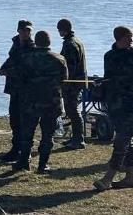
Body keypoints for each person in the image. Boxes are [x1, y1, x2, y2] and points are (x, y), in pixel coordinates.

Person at [14, 31, 68, 173]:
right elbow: (64, 79)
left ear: (36, 41)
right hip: (51, 102)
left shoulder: (26, 58)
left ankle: (23, 161)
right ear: (49, 42)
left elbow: (19, 78)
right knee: (47, 135)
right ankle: (43, 164)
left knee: (27, 133)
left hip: (30, 101)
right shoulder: (59, 59)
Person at [94, 26, 133, 191]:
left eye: (131, 37)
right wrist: (101, 84)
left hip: (131, 104)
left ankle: (108, 178)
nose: (131, 40)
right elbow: (109, 77)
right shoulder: (109, 56)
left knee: (121, 141)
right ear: (119, 38)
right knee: (126, 140)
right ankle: (130, 177)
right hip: (116, 104)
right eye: (128, 37)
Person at [0, 19, 35, 162]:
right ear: (18, 30)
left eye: (29, 30)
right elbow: (11, 59)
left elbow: (25, 68)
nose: (27, 33)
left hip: (26, 90)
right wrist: (3, 68)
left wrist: (8, 72)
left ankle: (25, 151)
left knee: (25, 121)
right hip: (15, 89)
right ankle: (15, 148)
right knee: (14, 120)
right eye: (24, 30)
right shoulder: (16, 45)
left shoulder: (32, 47)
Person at [58, 19, 87, 150]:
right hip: (78, 81)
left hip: (72, 83)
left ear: (63, 29)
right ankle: (76, 138)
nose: (58, 31)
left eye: (59, 29)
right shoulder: (77, 41)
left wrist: (65, 82)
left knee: (73, 111)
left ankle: (78, 140)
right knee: (72, 110)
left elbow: (70, 67)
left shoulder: (70, 45)